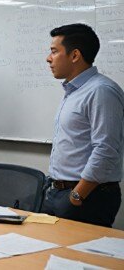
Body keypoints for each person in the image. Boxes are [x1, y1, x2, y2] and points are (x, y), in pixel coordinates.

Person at [41, 23, 123, 227]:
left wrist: (77, 195)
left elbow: (106, 149)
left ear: (75, 55)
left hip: (86, 197)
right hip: (59, 191)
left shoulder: (101, 91)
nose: (48, 58)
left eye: (54, 51)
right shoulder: (74, 91)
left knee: (76, 258)